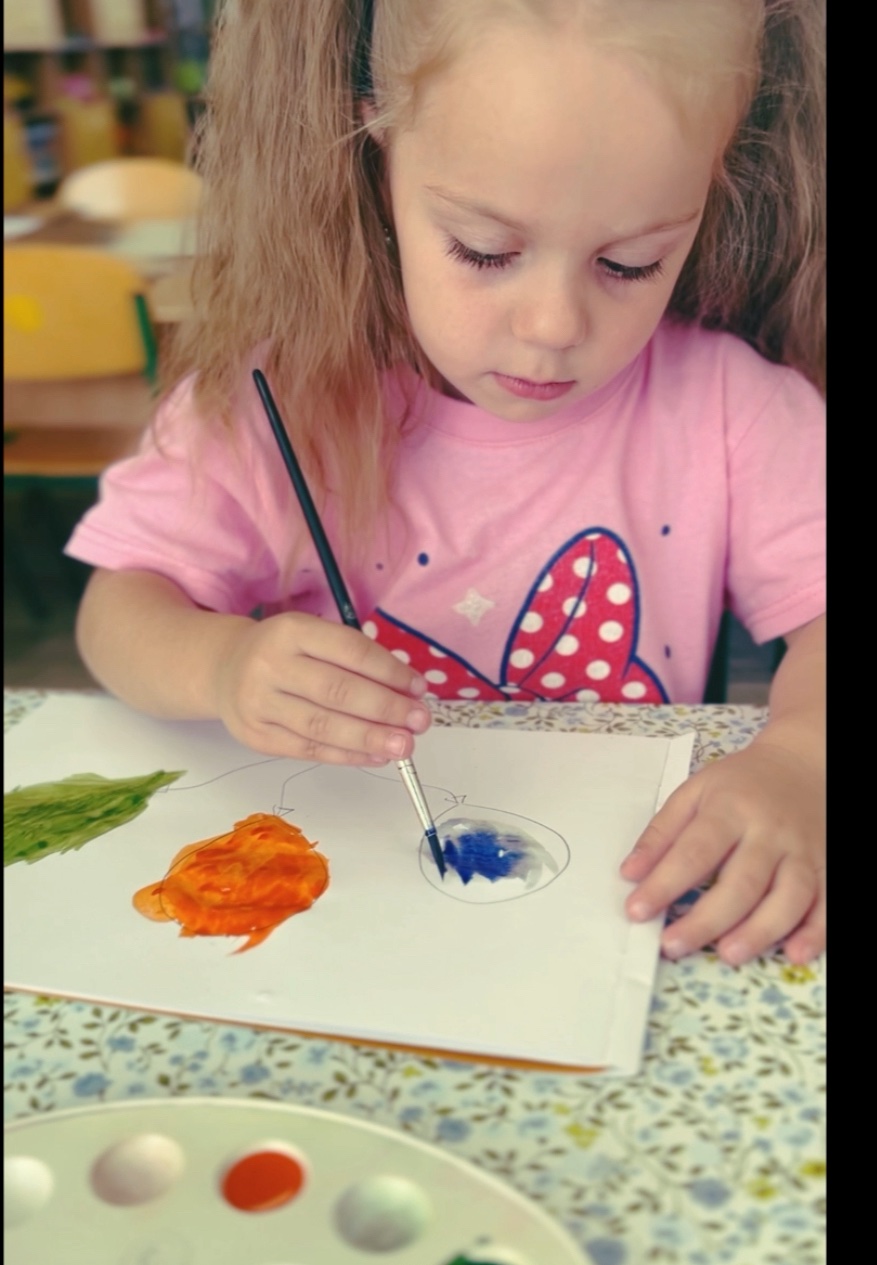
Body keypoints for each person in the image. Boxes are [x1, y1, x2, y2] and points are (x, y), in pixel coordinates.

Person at [66, 0, 826, 968]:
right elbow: (118, 608)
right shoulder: (277, 402)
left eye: (630, 262)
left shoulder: (733, 410)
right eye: (484, 250)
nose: (553, 325)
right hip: (342, 912)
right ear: (373, 148)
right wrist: (220, 665)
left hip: (592, 927)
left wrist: (803, 757)